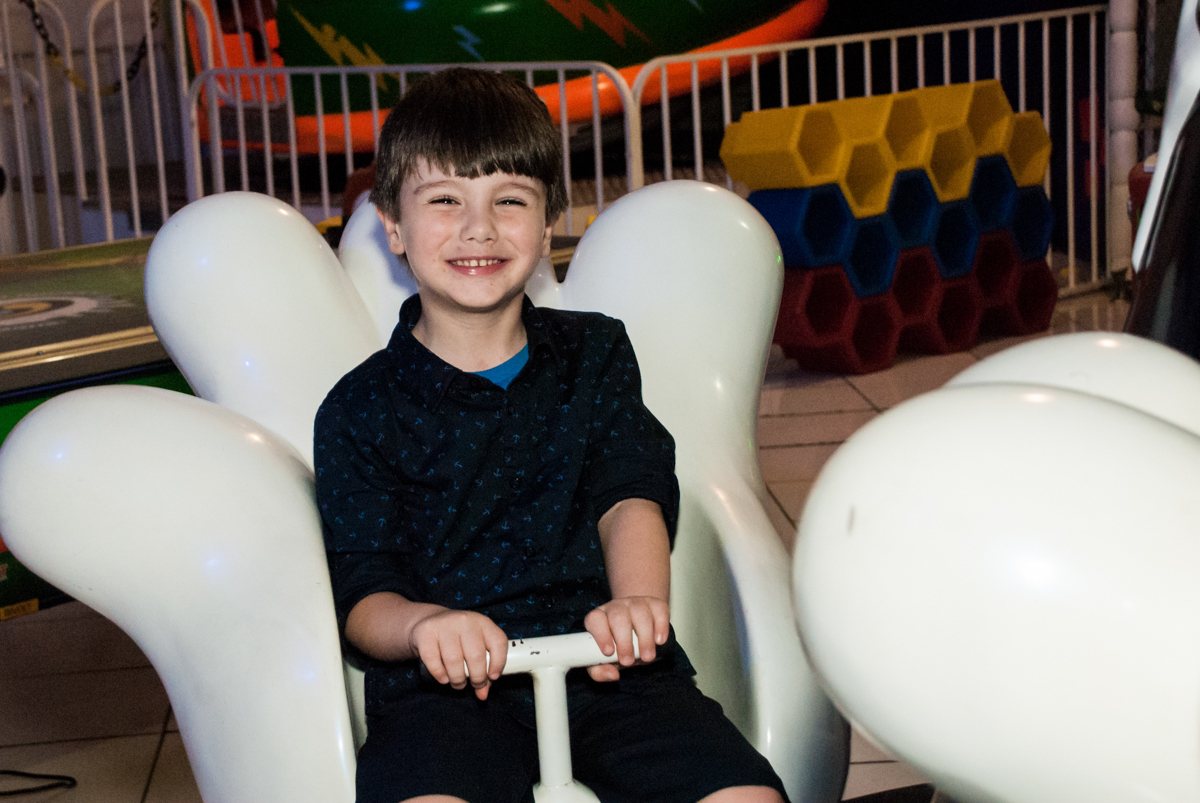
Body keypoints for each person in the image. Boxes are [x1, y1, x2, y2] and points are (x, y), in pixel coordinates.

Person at [314, 67, 789, 803]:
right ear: (392, 225)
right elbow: (363, 592)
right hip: (443, 699)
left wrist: (636, 601)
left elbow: (629, 491)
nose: (479, 228)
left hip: (610, 673)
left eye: (510, 200)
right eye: (445, 201)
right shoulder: (358, 408)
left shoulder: (594, 355)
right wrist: (424, 626)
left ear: (545, 222)